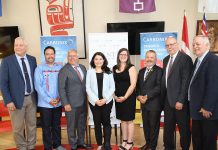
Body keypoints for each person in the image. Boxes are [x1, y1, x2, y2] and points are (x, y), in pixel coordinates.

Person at [0, 37, 37, 150]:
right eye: (16, 45)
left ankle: (31, 146)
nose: (18, 47)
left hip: (31, 98)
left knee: (32, 125)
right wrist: (8, 101)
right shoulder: (7, 61)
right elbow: (2, 83)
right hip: (15, 100)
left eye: (21, 45)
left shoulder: (32, 59)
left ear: (26, 47)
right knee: (18, 127)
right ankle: (21, 147)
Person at [161, 36, 193, 150]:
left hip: (180, 103)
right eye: (167, 45)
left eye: (172, 44)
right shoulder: (165, 60)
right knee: (168, 130)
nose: (170, 47)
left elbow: (186, 81)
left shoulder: (185, 59)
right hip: (168, 102)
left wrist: (181, 100)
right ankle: (168, 148)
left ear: (177, 44)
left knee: (184, 129)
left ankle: (185, 148)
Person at [189, 35, 218, 150]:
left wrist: (207, 107)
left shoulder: (213, 60)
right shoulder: (197, 60)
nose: (195, 46)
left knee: (208, 142)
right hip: (197, 110)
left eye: (198, 44)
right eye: (194, 44)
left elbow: (214, 85)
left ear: (207, 45)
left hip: (207, 112)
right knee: (197, 140)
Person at [58, 50, 91, 150]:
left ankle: (81, 142)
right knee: (71, 126)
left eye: (74, 56)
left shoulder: (82, 67)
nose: (72, 58)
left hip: (83, 102)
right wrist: (65, 103)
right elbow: (61, 88)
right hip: (71, 104)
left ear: (78, 57)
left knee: (81, 124)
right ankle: (73, 145)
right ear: (67, 58)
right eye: (70, 56)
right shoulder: (64, 70)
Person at [34, 46, 65, 150]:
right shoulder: (39, 68)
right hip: (45, 104)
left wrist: (59, 98)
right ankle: (47, 147)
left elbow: (63, 84)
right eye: (47, 54)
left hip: (58, 102)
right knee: (46, 127)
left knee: (57, 126)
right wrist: (49, 100)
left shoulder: (60, 68)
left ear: (54, 55)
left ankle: (57, 145)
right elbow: (38, 87)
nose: (50, 56)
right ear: (44, 55)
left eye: (52, 53)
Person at [86, 52, 115, 150]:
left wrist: (105, 99)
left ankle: (107, 144)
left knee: (106, 122)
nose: (98, 61)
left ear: (104, 60)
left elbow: (112, 87)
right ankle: (99, 144)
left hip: (107, 102)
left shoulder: (109, 72)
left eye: (100, 59)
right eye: (96, 59)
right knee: (97, 122)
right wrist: (96, 100)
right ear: (93, 61)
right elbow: (88, 88)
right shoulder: (89, 72)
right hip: (94, 102)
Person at [136, 50, 162, 150]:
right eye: (147, 57)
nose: (149, 59)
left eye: (152, 57)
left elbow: (159, 87)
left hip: (154, 104)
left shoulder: (159, 71)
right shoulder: (141, 71)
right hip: (143, 104)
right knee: (146, 126)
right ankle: (147, 144)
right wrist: (138, 96)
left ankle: (152, 147)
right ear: (145, 58)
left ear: (155, 59)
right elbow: (138, 87)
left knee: (153, 127)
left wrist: (147, 96)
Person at [113, 48, 137, 150]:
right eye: (121, 54)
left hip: (128, 98)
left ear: (128, 56)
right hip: (118, 98)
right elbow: (111, 84)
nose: (123, 56)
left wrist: (125, 97)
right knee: (122, 120)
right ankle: (124, 141)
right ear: (118, 56)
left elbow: (133, 85)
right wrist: (114, 96)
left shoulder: (131, 68)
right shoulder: (114, 68)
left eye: (125, 54)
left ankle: (130, 142)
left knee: (129, 120)